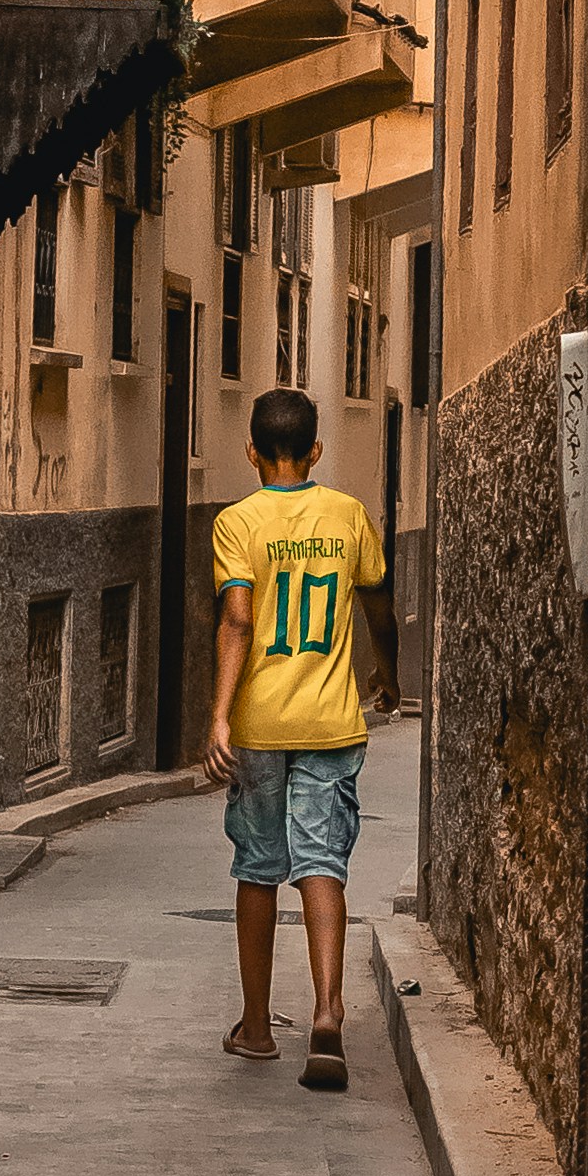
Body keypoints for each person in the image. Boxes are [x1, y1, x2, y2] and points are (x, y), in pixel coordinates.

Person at [204, 386, 401, 1091]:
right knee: (322, 862)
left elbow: (237, 619)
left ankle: (256, 1027)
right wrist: (389, 673)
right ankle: (327, 1009)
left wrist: (220, 715)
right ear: (315, 451)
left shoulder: (237, 522)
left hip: (259, 724)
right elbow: (379, 598)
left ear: (250, 450)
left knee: (259, 865)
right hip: (328, 721)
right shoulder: (348, 515)